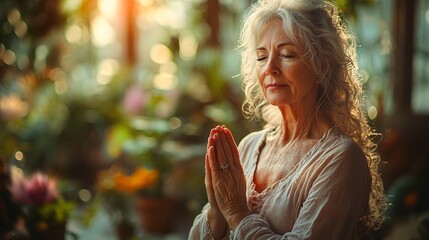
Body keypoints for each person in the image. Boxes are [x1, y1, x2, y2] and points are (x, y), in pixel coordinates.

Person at [188, 0, 386, 239]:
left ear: (321, 64)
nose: (270, 67)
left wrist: (237, 212)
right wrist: (217, 211)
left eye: (286, 54)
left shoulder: (340, 158)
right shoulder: (249, 146)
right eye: (261, 57)